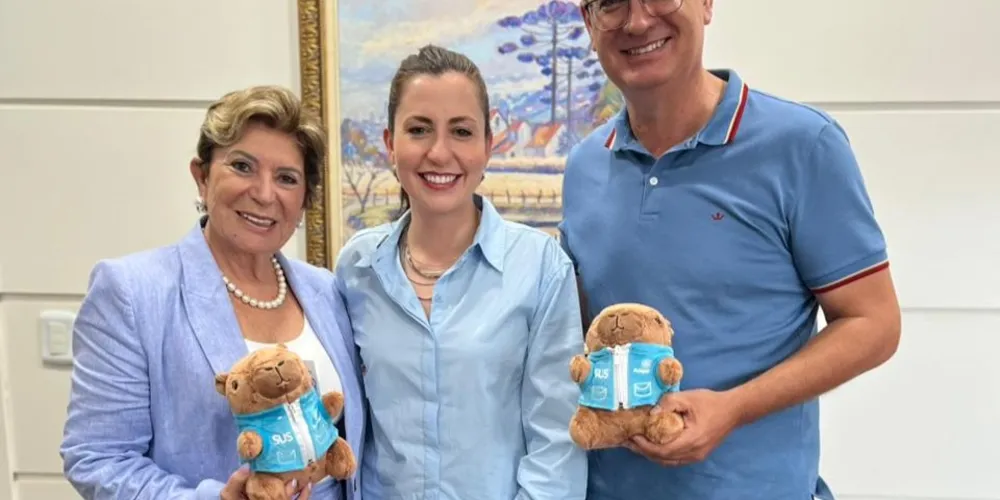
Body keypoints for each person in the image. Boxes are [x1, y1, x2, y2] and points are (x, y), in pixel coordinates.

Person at [559, 1, 902, 499]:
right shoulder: (584, 167)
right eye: (611, 3)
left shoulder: (804, 147)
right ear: (590, 24)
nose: (637, 21)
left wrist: (735, 408)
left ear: (706, 5)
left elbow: (875, 323)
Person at [60, 85, 365, 500]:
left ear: (304, 200)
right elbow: (97, 458)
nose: (263, 193)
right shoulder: (131, 292)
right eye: (242, 166)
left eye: (287, 178)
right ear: (202, 177)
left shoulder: (326, 290)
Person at [333, 44, 588, 499]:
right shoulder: (357, 269)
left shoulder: (540, 268)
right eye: (419, 130)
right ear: (390, 144)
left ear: (488, 146)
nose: (439, 152)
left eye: (462, 131)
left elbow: (558, 442)